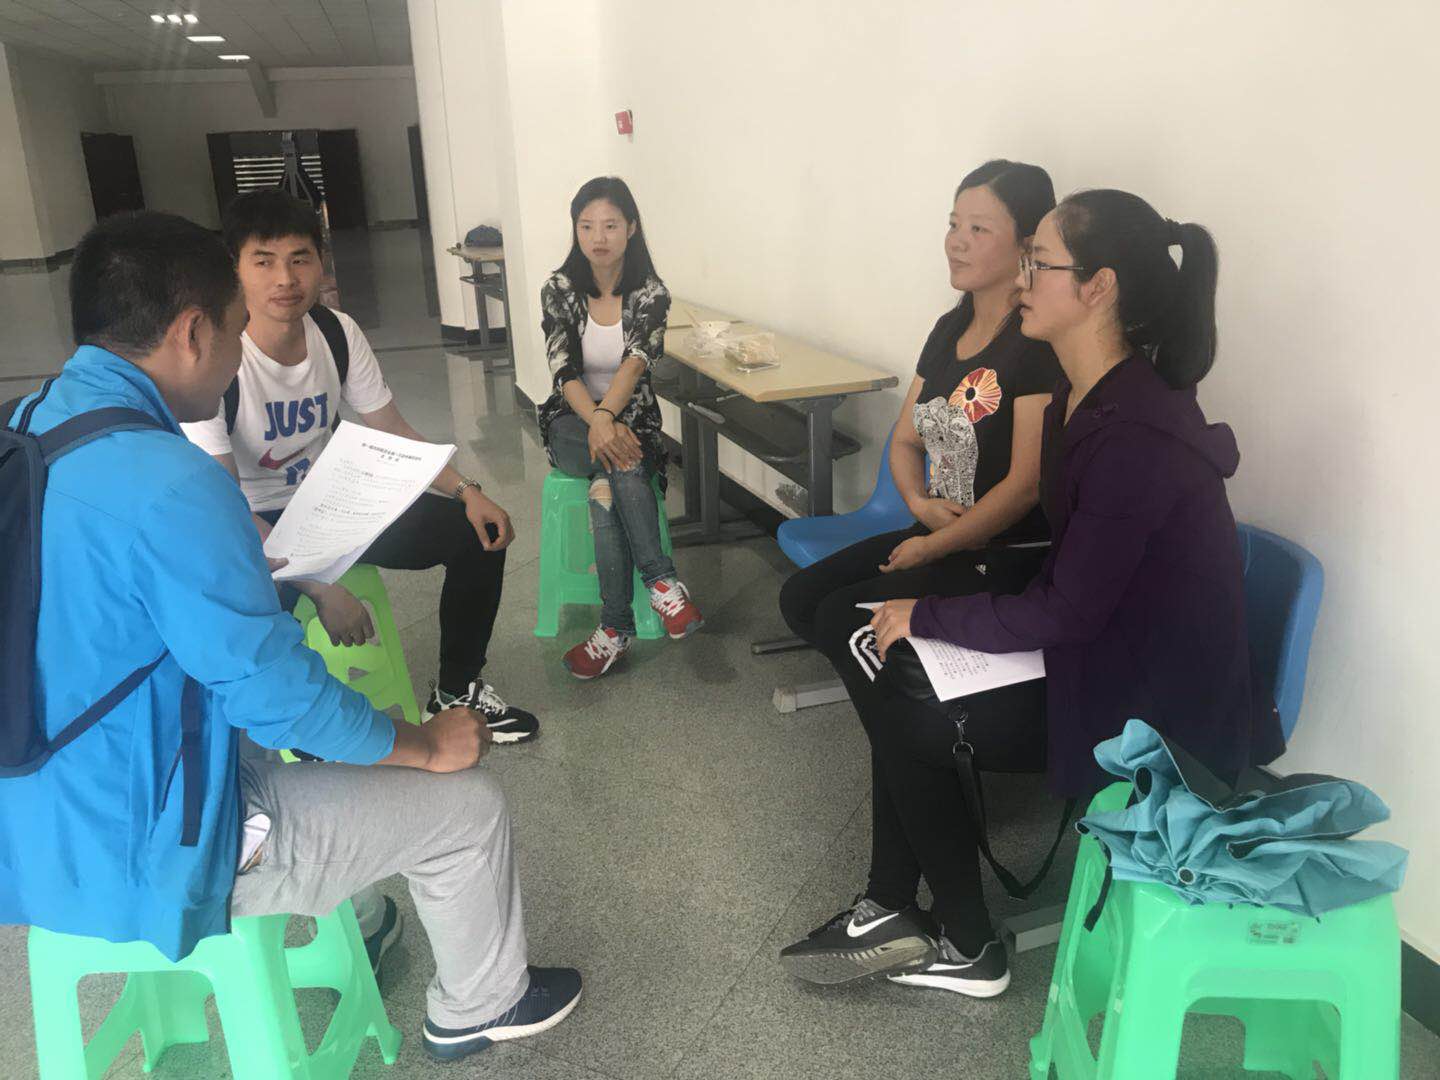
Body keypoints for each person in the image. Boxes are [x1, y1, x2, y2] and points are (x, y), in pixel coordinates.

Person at [0, 212, 580, 1063]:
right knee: (467, 805)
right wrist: (424, 744)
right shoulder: (171, 484)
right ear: (193, 333)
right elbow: (278, 698)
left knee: (316, 757)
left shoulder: (25, 426)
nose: (242, 351)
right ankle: (479, 1006)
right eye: (235, 327)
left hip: (31, 826)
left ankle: (365, 918)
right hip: (147, 841)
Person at [779, 189, 1285, 1000]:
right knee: (890, 662)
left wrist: (931, 611)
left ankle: (966, 943)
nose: (1021, 281)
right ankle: (894, 904)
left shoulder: (1134, 433)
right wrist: (934, 614)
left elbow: (1070, 609)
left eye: (1038, 263)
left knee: (905, 702)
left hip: (1155, 712)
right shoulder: (1087, 397)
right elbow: (1072, 581)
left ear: (1098, 288)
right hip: (1109, 653)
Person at [182, 190, 538, 744]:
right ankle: (298, 727)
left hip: (333, 507)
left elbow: (392, 428)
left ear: (321, 262)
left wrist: (467, 490)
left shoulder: (335, 332)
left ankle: (455, 693)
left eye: (300, 259)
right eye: (264, 261)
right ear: (235, 269)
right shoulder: (217, 356)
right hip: (255, 521)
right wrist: (320, 587)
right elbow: (221, 503)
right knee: (257, 606)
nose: (285, 279)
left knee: (474, 535)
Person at [778, 160, 1061, 694]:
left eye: (979, 229)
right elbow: (906, 439)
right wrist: (919, 505)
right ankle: (906, 688)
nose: (957, 241)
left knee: (840, 617)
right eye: (954, 224)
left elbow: (1027, 485)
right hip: (935, 532)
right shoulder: (950, 327)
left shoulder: (1035, 342)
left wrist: (935, 545)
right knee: (800, 598)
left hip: (999, 555)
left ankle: (931, 708)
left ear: (1027, 245)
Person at [537, 176, 703, 679]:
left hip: (632, 422)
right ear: (575, 230)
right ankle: (663, 585)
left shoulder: (651, 294)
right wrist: (598, 422)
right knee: (619, 457)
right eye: (586, 225)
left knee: (608, 483)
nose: (598, 237)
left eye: (610, 225)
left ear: (631, 227)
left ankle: (613, 630)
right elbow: (563, 370)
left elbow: (635, 364)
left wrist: (608, 421)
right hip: (570, 423)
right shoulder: (559, 289)